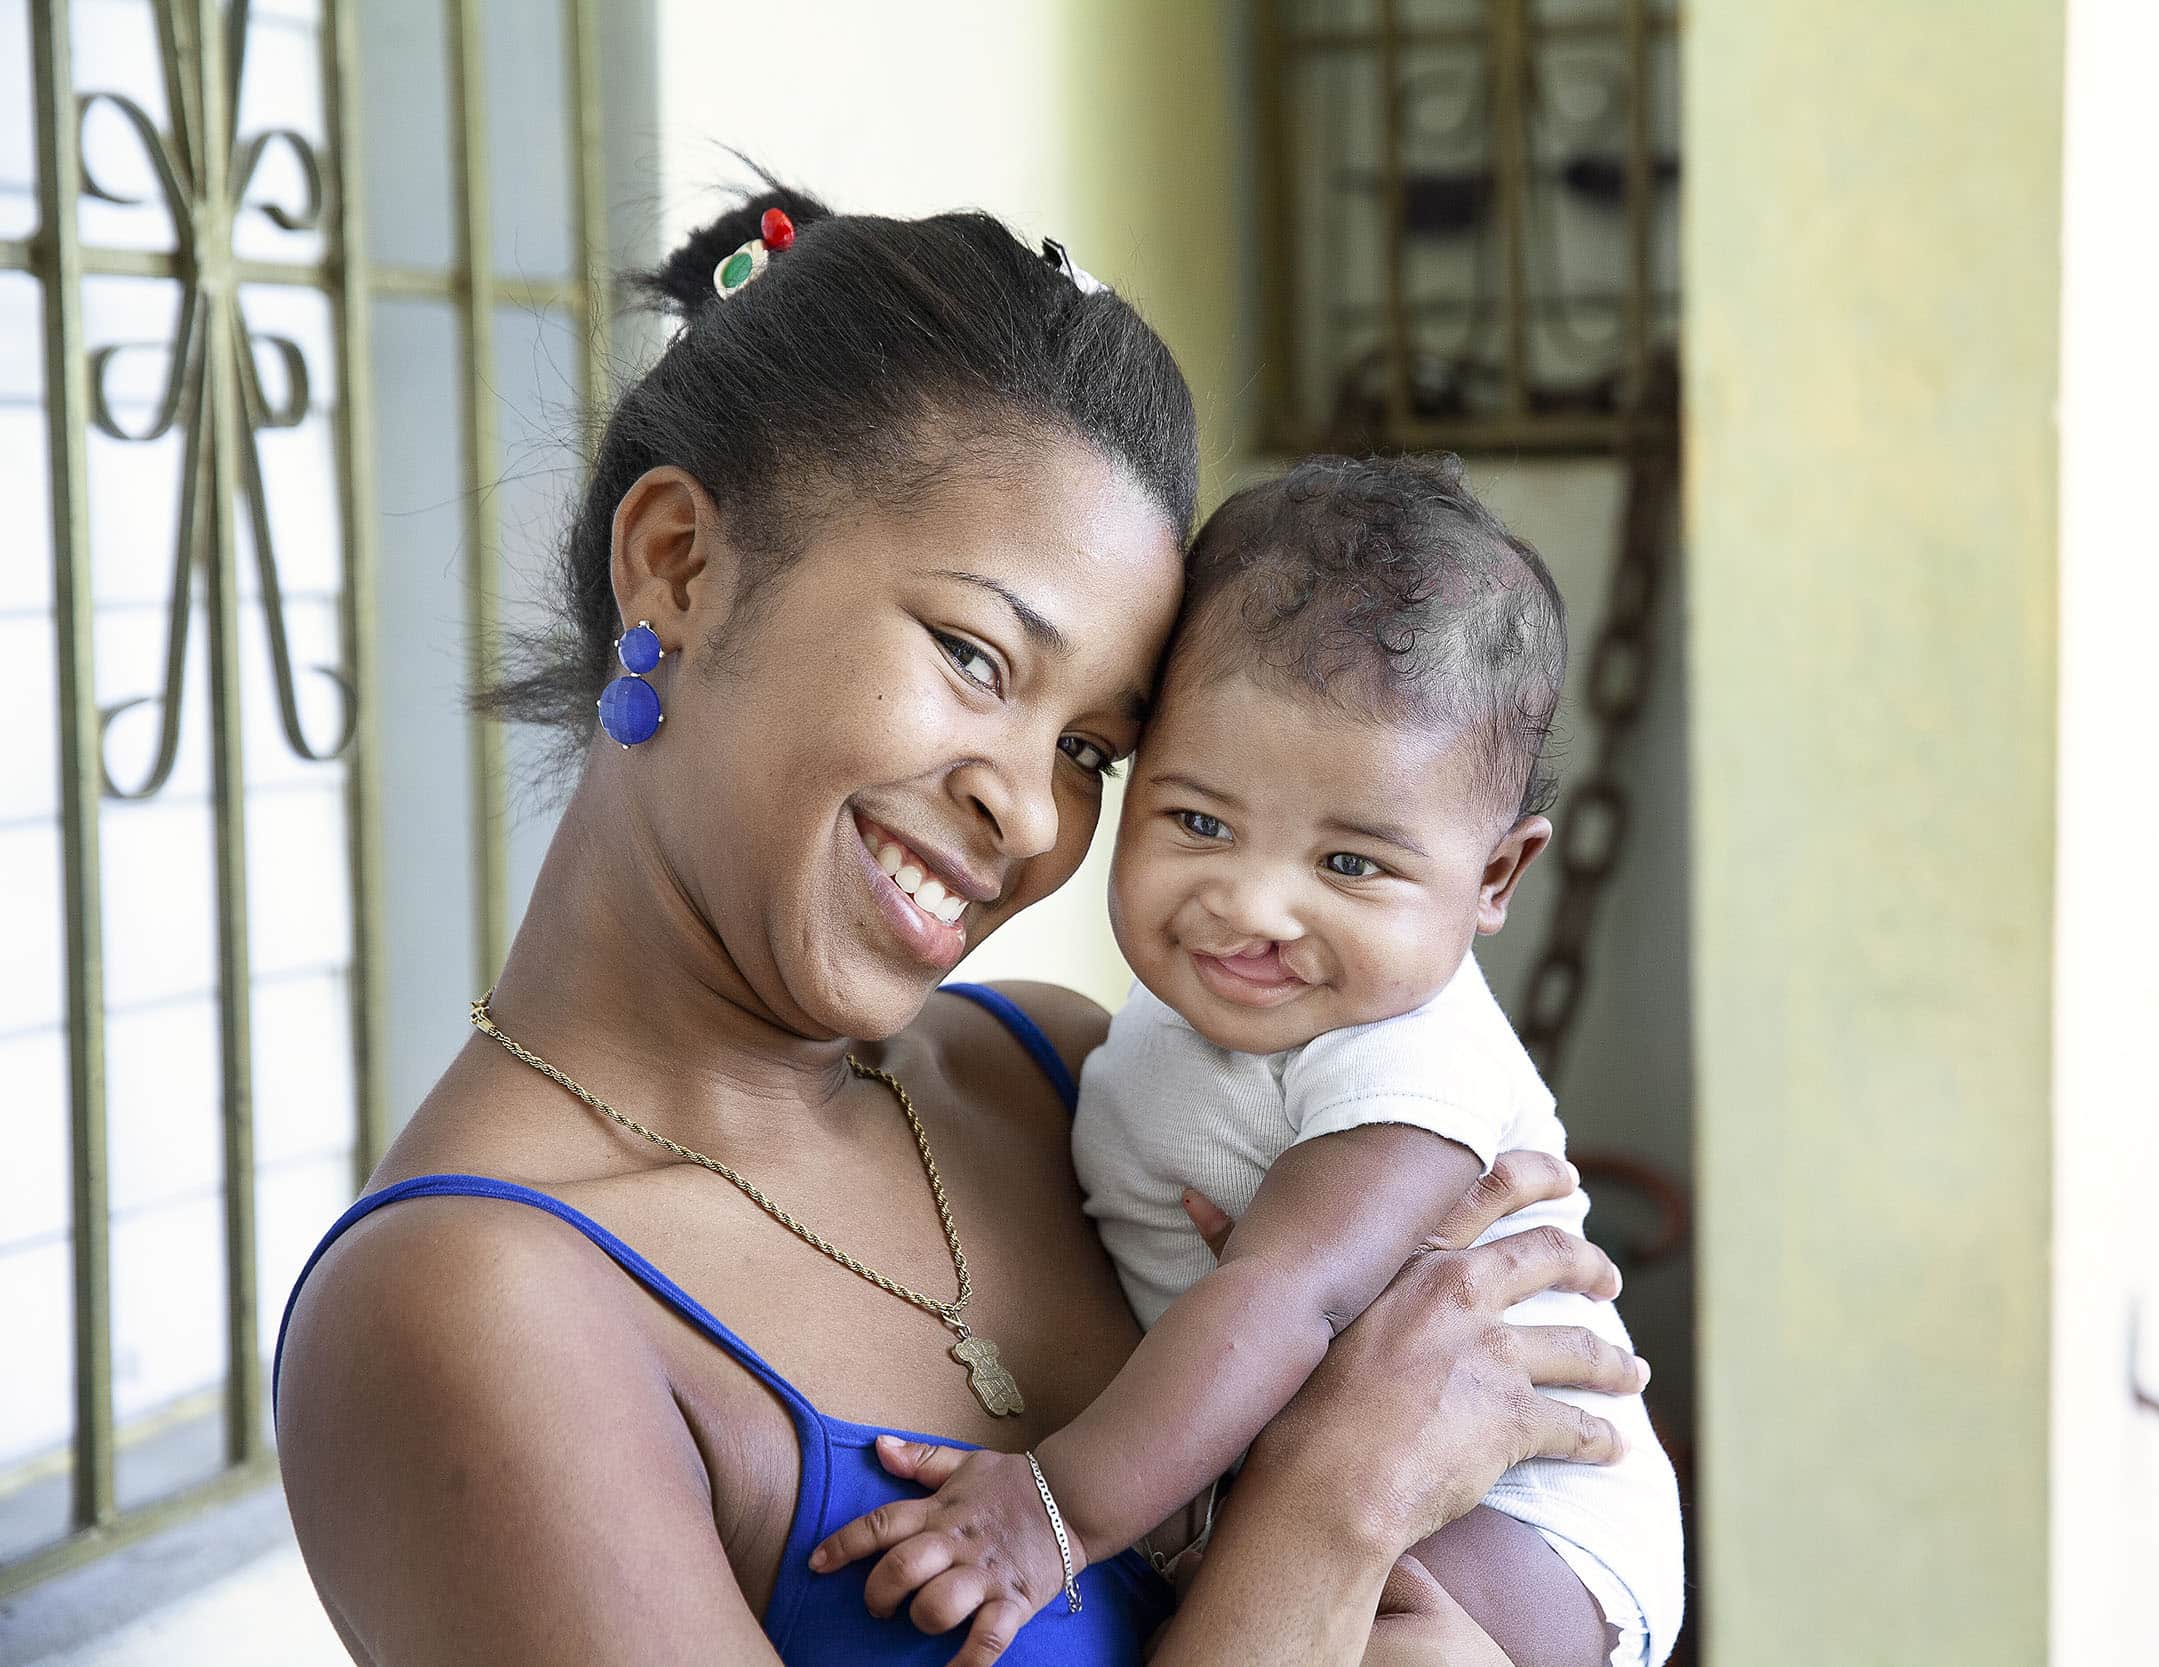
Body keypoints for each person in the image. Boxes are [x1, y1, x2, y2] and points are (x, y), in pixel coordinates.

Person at [270, 182, 1645, 1667]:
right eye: (977, 656)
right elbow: (1358, 1467)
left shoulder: (1060, 1081)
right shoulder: (472, 1312)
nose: (1035, 816)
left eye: (1092, 752)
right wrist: (1331, 1497)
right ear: (676, 563)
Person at [813, 458, 1682, 1667]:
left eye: (1352, 864)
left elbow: (1288, 1294)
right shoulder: (1154, 1031)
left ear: (1494, 876)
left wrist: (1053, 1506)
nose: (1253, 905)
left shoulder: (1413, 1060)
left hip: (1532, 1527)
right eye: (1200, 823)